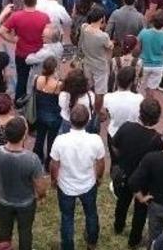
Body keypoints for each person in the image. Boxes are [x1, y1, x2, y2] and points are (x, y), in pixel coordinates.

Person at [49, 104, 105, 250]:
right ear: (87, 121)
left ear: (70, 120)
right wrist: (98, 178)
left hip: (65, 186)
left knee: (67, 218)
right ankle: (92, 243)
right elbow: (100, 163)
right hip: (88, 184)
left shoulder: (60, 140)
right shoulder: (95, 140)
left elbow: (54, 165)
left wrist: (53, 180)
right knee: (91, 213)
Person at [0, 117, 48, 250]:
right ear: (24, 135)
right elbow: (40, 186)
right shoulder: (32, 159)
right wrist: (41, 195)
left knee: (4, 230)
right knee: (25, 232)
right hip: (26, 203)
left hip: (3, 200)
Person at [111, 97, 163, 248]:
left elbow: (114, 145)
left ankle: (118, 226)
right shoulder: (157, 140)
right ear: (157, 118)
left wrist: (122, 158)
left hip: (126, 174)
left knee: (122, 202)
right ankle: (134, 240)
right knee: (141, 209)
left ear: (140, 113)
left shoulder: (127, 127)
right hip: (144, 180)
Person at [0, 0, 51, 101]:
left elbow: (1, 31)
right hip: (39, 53)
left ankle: (19, 101)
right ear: (35, 2)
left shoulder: (16, 16)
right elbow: (49, 34)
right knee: (39, 78)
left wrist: (13, 40)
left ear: (24, 1)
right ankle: (37, 102)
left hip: (21, 53)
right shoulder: (44, 17)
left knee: (22, 78)